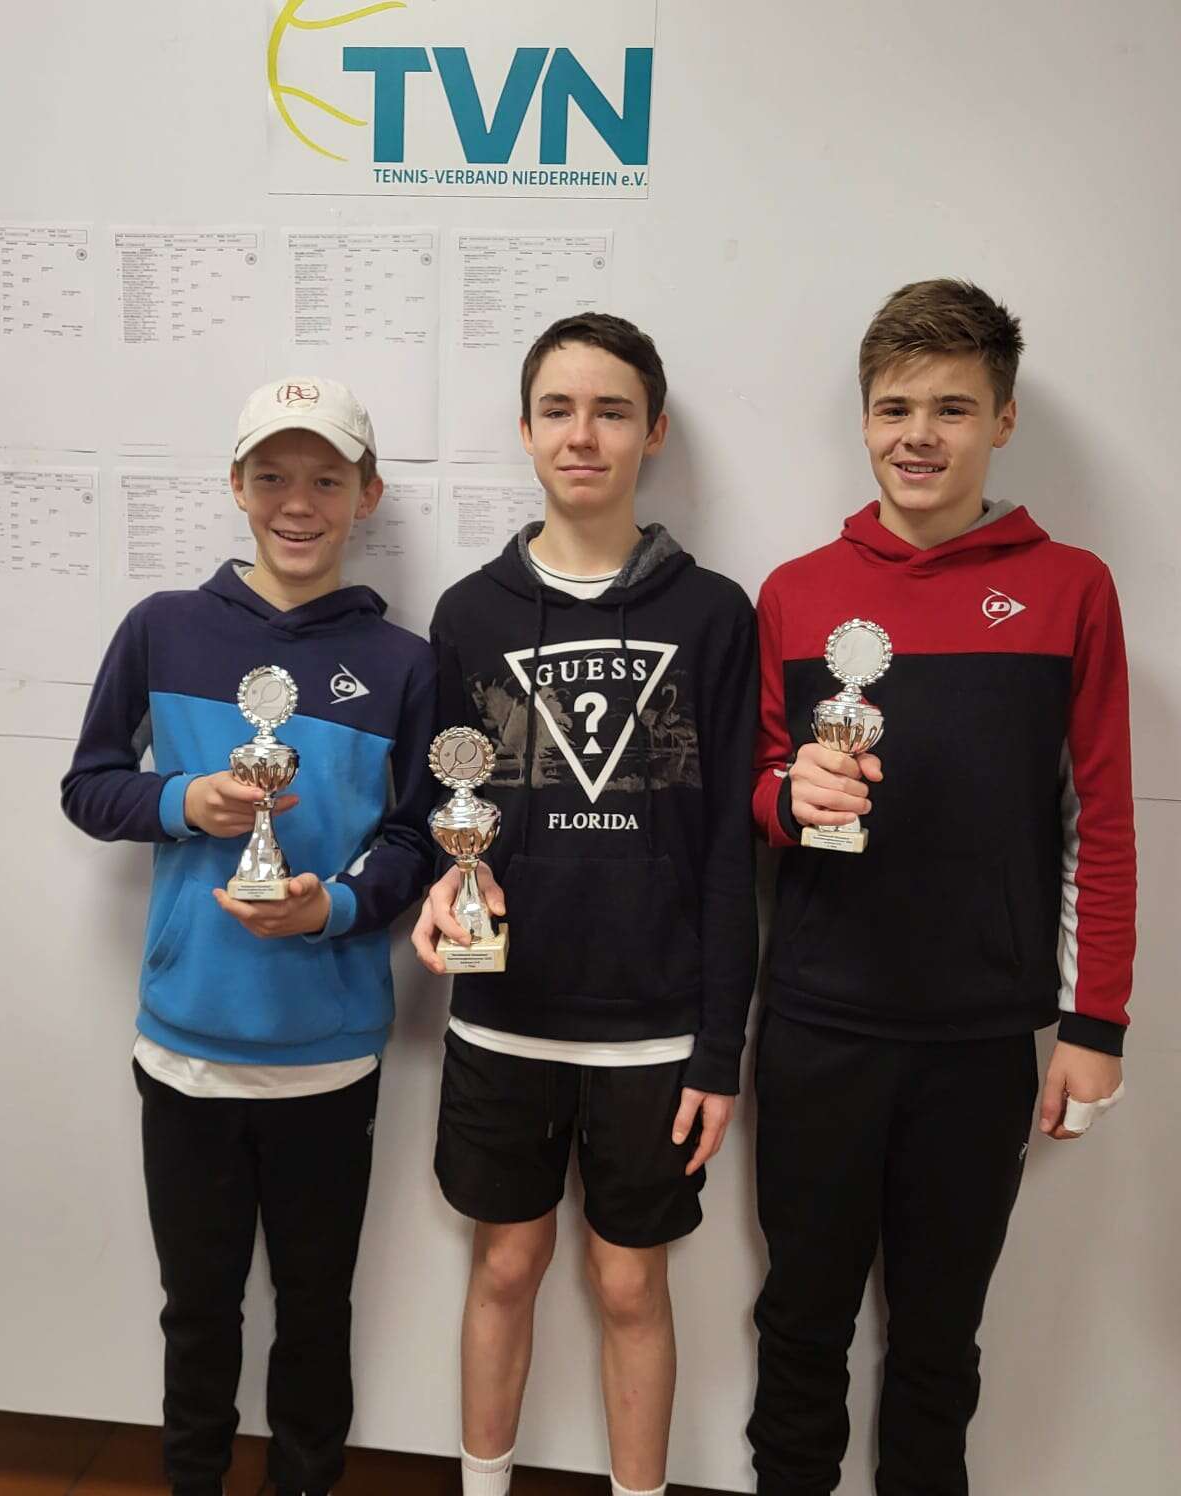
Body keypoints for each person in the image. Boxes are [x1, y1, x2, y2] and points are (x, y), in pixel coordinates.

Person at [748, 279, 1135, 1495]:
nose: (918, 435)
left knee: (936, 1341)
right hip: (816, 1023)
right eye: (894, 407)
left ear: (1001, 419)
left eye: (951, 408)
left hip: (978, 1036)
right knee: (799, 1320)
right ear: (863, 419)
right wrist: (788, 797)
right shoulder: (794, 590)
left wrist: (1094, 1022)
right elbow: (756, 785)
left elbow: (1099, 817)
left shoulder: (1069, 588)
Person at [62, 376, 437, 1496]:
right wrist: (184, 800)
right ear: (236, 485)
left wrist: (337, 906)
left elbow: (421, 836)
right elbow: (89, 784)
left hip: (328, 1053)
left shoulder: (404, 662)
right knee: (198, 1309)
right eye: (272, 475)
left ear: (367, 495)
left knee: (317, 1311)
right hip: (185, 1047)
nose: (297, 501)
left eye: (325, 478)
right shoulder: (162, 628)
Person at [413, 313, 759, 1496]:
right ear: (523, 430)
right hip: (502, 1015)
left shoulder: (712, 614)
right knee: (504, 1266)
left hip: (652, 1028)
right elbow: (441, 811)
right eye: (557, 410)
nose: (582, 434)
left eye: (611, 411)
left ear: (651, 433)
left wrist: (717, 1044)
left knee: (627, 1282)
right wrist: (440, 884)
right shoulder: (468, 613)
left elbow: (728, 847)